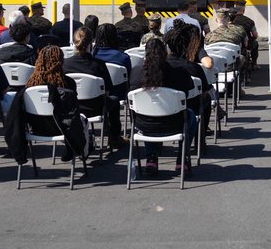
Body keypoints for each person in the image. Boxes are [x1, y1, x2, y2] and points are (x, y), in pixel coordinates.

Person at [130, 37, 198, 176]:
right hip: (175, 124)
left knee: (147, 112)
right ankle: (182, 158)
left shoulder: (136, 73)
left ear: (145, 54)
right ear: (166, 53)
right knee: (191, 115)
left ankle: (151, 158)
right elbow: (188, 94)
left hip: (143, 125)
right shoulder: (179, 73)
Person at [63, 26, 119, 146]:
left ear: (74, 42)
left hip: (71, 108)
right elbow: (107, 90)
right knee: (114, 100)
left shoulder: (65, 64)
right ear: (91, 43)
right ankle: (115, 137)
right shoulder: (98, 65)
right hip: (95, 108)